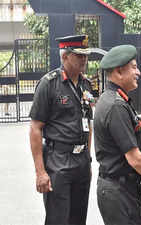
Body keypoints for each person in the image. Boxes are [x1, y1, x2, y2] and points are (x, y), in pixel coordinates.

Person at [94, 45, 141, 225]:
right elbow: (135, 158)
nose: (138, 72)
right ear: (119, 71)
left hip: (121, 189)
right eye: (134, 67)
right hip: (118, 191)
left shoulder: (114, 99)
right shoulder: (116, 106)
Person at [29, 35, 94, 225]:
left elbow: (88, 124)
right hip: (59, 160)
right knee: (58, 219)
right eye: (79, 56)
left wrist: (88, 160)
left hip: (81, 160)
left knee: (78, 218)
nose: (84, 60)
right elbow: (35, 128)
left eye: (85, 56)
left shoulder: (86, 84)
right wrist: (40, 172)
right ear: (65, 56)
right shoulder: (49, 84)